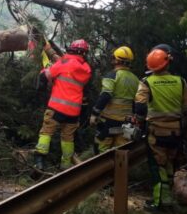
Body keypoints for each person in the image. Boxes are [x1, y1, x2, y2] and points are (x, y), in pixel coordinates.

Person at [134, 44, 187, 212]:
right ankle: (169, 198)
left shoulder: (147, 82)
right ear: (168, 63)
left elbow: (140, 108)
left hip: (156, 133)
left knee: (157, 166)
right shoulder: (180, 81)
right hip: (176, 132)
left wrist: (139, 124)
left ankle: (160, 202)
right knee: (170, 163)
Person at [34, 39, 92, 171]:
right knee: (67, 139)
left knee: (46, 133)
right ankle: (65, 167)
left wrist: (44, 72)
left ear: (71, 49)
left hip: (56, 108)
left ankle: (39, 162)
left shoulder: (64, 62)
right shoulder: (86, 69)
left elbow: (47, 76)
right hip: (73, 112)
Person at [89, 46, 139, 152]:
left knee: (101, 152)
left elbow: (106, 95)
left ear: (117, 60)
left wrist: (94, 113)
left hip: (108, 121)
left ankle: (102, 168)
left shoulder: (112, 75)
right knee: (122, 152)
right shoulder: (135, 79)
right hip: (126, 122)